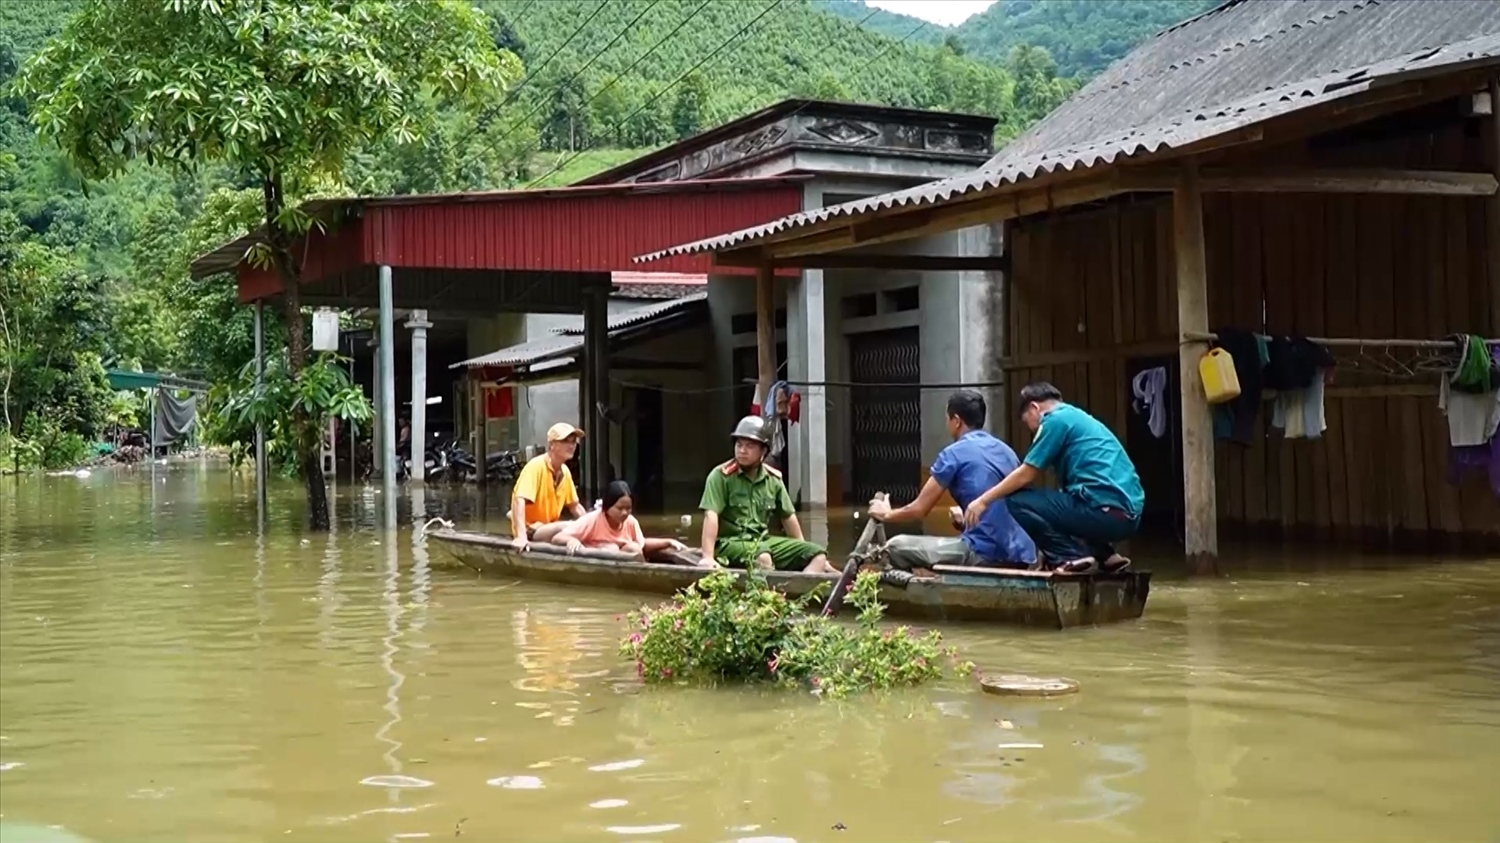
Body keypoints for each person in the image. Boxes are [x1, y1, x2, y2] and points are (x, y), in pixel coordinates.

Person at [963, 382, 1144, 573]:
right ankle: (1108, 557)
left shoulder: (1054, 420)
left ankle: (1071, 557)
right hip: (1128, 516)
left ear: (1034, 407)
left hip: (1104, 512)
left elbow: (1027, 474)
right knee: (1063, 502)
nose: (1031, 430)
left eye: (1027, 422)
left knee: (1018, 501)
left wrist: (983, 500)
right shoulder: (1077, 417)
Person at [867, 390, 1037, 568]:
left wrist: (886, 514)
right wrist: (965, 524)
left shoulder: (953, 454)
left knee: (896, 546)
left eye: (947, 419)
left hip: (985, 552)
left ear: (956, 421)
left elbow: (919, 509)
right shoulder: (1006, 450)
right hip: (1024, 552)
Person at [698, 416, 836, 574]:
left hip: (763, 541)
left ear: (763, 451)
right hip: (730, 543)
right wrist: (708, 557)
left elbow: (788, 517)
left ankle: (798, 593)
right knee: (763, 557)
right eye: (739, 445)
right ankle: (770, 595)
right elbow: (711, 516)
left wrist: (801, 553)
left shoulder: (773, 480)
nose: (742, 451)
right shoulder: (720, 476)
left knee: (817, 555)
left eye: (749, 446)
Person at [552, 480, 688, 561]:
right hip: (598, 558)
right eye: (619, 508)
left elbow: (641, 544)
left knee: (633, 548)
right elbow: (558, 537)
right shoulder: (592, 519)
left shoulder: (631, 522)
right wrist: (572, 540)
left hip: (623, 560)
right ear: (607, 507)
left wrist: (668, 542)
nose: (624, 513)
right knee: (611, 548)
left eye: (628, 508)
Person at [511, 422, 587, 549]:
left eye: (573, 441)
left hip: (549, 528)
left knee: (581, 527)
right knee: (568, 526)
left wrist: (591, 524)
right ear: (552, 445)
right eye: (566, 441)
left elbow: (575, 507)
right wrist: (521, 536)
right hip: (532, 530)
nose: (571, 446)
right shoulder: (536, 466)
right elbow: (519, 500)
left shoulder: (565, 472)